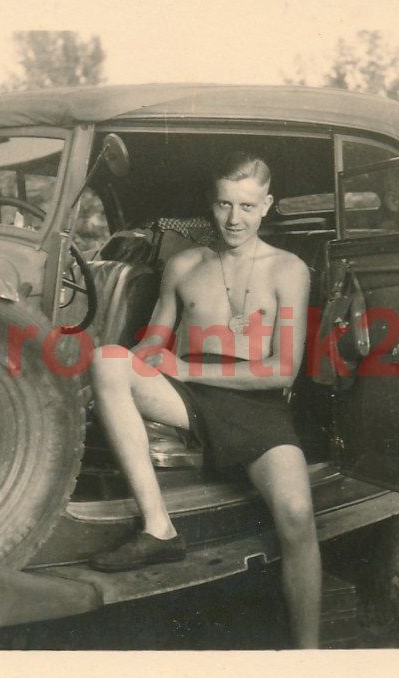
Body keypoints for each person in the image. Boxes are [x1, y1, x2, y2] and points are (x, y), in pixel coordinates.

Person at [88, 152, 321, 648]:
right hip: (189, 399)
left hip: (256, 404)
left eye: (247, 206)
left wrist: (186, 368)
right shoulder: (183, 264)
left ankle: (309, 659)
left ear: (267, 205)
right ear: (210, 204)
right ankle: (159, 530)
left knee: (298, 516)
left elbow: (283, 370)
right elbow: (155, 339)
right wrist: (142, 357)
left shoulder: (289, 269)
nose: (234, 219)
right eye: (223, 204)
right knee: (107, 360)